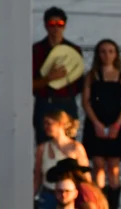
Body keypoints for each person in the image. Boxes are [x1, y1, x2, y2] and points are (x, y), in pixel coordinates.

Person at [81, 39, 121, 209]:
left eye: (111, 51)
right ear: (97, 54)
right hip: (96, 124)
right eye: (103, 51)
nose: (107, 55)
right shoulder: (92, 76)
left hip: (116, 125)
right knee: (98, 166)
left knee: (113, 168)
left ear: (116, 54)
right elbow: (86, 102)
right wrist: (96, 124)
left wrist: (116, 125)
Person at [32, 7, 83, 145]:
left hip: (67, 103)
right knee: (44, 146)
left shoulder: (74, 50)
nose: (55, 28)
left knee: (69, 146)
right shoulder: (36, 50)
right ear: (45, 25)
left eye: (59, 24)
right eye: (51, 24)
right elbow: (28, 84)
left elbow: (79, 81)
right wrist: (48, 79)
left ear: (64, 25)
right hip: (44, 103)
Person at [34, 109, 89, 209]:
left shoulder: (76, 148)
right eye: (44, 123)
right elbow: (37, 177)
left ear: (61, 124)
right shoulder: (42, 148)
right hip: (49, 194)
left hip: (69, 197)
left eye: (49, 123)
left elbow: (85, 176)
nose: (45, 127)